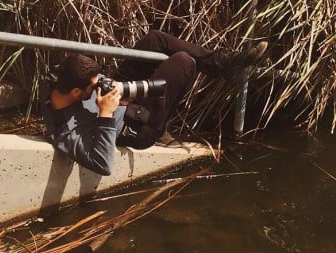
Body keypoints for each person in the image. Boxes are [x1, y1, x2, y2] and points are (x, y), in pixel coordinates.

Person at [41, 29, 268, 176]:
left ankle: (224, 63)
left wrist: (107, 84)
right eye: (92, 87)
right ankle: (162, 125)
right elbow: (103, 165)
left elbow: (85, 77)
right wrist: (105, 116)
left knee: (154, 40)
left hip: (117, 101)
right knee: (183, 62)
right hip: (138, 126)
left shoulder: (58, 78)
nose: (96, 86)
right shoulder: (65, 132)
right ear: (76, 91)